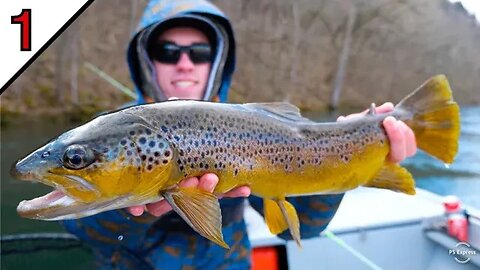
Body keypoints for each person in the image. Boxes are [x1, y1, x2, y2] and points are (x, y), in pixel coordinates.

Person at [62, 0, 417, 269]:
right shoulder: (102, 134)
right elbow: (89, 236)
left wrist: (353, 146)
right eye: (166, 51)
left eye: (198, 52)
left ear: (217, 60)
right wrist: (139, 211)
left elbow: (301, 228)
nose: (184, 63)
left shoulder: (250, 128)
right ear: (146, 59)